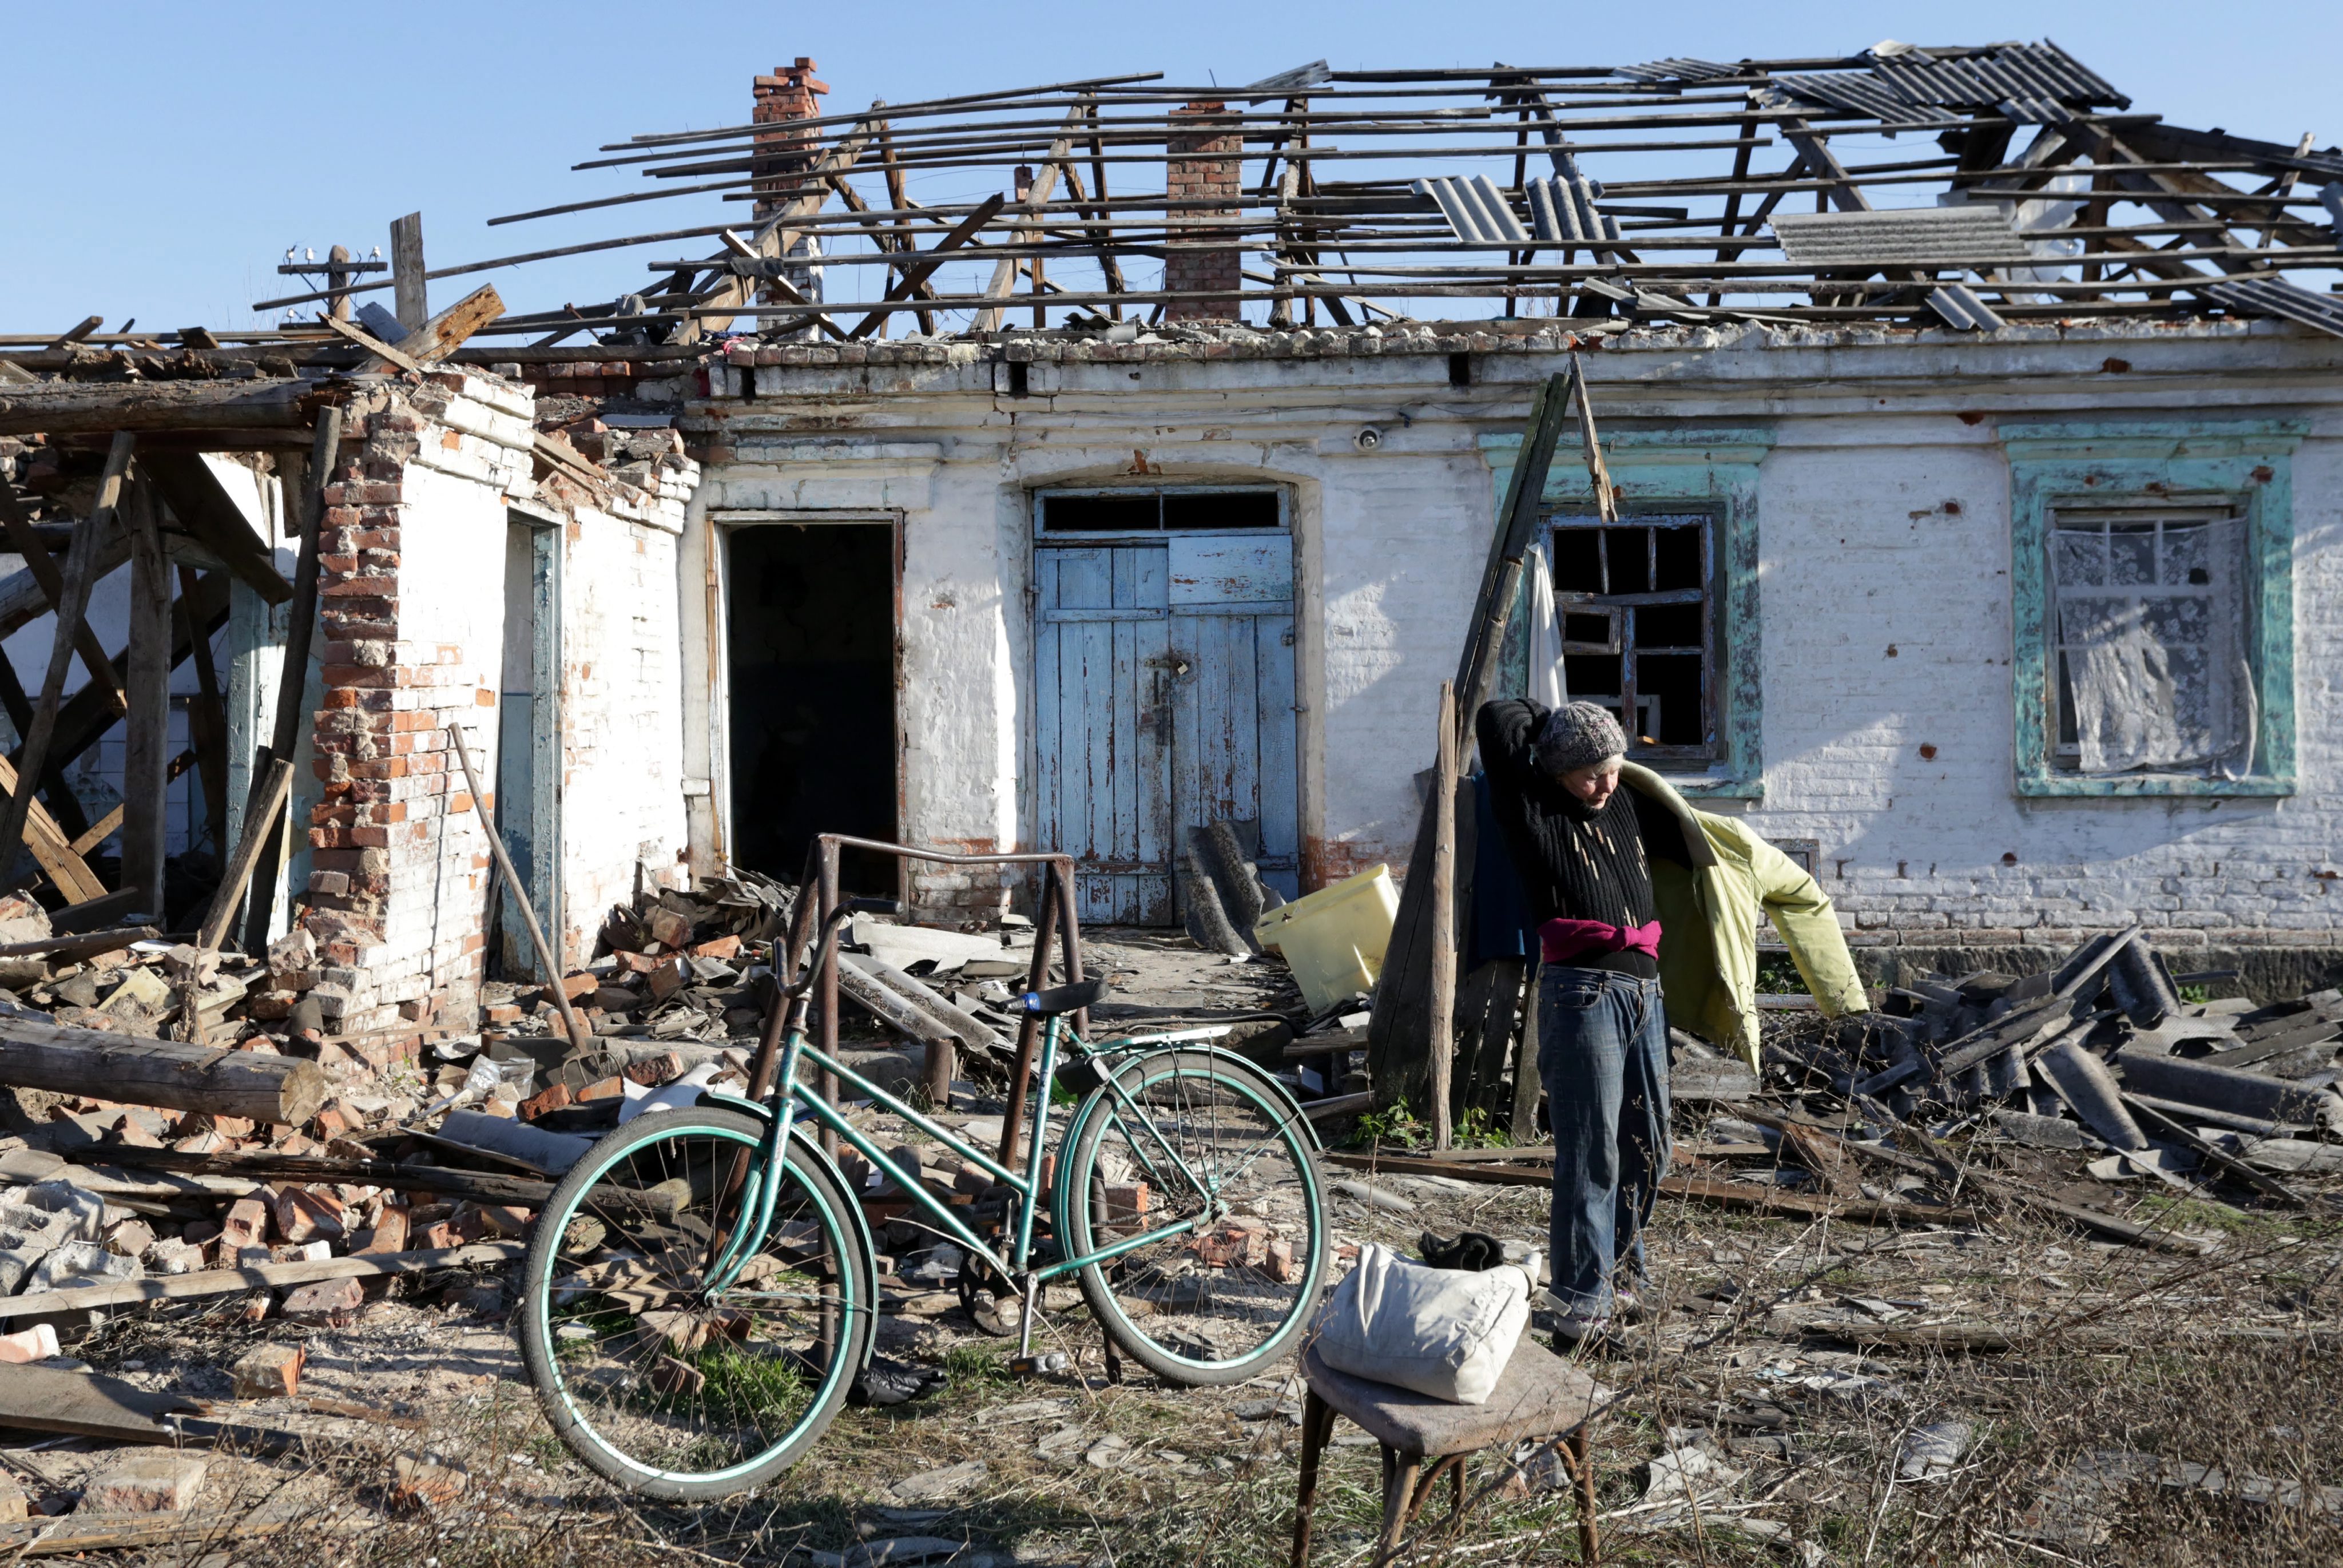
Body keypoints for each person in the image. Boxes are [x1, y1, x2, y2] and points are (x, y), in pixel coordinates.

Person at [1476, 697, 1698, 1344]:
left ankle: (1620, 1277)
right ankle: (1581, 1306)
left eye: (1612, 767)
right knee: (1592, 1148)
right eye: (1589, 774)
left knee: (1650, 1144)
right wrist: (1560, 727)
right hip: (1583, 994)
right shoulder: (1532, 804)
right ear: (1557, 769)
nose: (1605, 784)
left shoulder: (1621, 798)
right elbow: (1496, 719)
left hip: (1645, 992)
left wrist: (1594, 745)